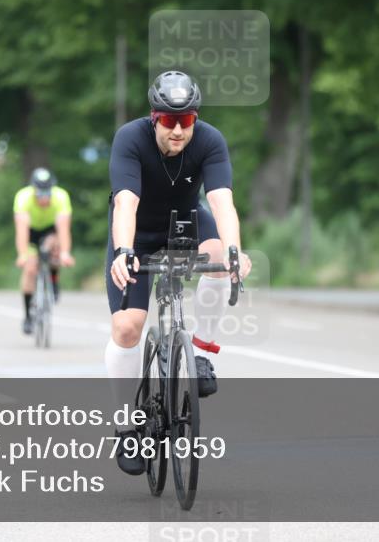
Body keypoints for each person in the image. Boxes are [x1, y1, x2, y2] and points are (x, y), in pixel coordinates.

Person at [106, 70, 252, 476]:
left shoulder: (210, 141)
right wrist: (123, 252)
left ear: (195, 118)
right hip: (137, 232)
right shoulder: (129, 139)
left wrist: (236, 251)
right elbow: (125, 206)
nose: (177, 129)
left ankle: (202, 356)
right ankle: (125, 428)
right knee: (128, 329)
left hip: (186, 222)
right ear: (153, 117)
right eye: (169, 120)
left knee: (219, 255)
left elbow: (222, 204)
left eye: (186, 120)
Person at [14, 167, 75, 335]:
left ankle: (54, 280)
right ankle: (27, 316)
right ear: (33, 190)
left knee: (55, 249)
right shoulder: (23, 197)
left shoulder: (61, 197)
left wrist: (65, 253)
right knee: (30, 268)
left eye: (47, 193)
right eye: (39, 193)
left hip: (50, 230)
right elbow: (21, 232)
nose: (43, 198)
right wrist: (23, 255)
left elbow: (63, 229)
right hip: (31, 231)